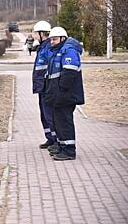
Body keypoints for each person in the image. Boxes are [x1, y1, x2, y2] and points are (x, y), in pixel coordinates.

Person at [43, 26, 84, 161]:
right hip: (58, 94)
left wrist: (61, 89)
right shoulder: (57, 50)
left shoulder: (69, 50)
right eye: (51, 39)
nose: (52, 42)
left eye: (54, 39)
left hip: (65, 95)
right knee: (58, 122)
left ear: (62, 38)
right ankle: (62, 147)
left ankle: (69, 151)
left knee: (64, 122)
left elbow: (69, 71)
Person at [31, 21, 55, 150]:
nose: (34, 35)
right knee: (44, 114)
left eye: (35, 33)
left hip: (47, 87)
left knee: (49, 114)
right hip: (42, 87)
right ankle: (50, 138)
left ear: (42, 34)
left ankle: (56, 139)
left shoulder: (48, 47)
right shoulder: (42, 47)